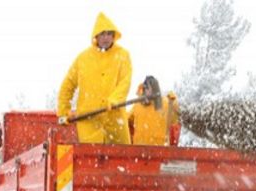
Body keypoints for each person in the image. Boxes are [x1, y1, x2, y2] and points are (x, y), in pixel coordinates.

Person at [57, 12, 132, 144]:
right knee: (90, 161)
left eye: (109, 33)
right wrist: (64, 111)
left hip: (115, 119)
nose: (106, 38)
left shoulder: (122, 55)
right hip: (89, 122)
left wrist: (115, 99)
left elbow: (125, 81)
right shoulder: (83, 59)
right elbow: (67, 85)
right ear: (96, 35)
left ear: (114, 35)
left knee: (122, 159)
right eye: (102, 34)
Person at [128, 76, 181, 146]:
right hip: (139, 150)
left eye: (153, 89)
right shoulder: (137, 105)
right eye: (147, 88)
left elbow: (175, 120)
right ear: (144, 89)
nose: (150, 92)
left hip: (159, 150)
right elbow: (127, 123)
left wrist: (174, 103)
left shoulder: (164, 104)